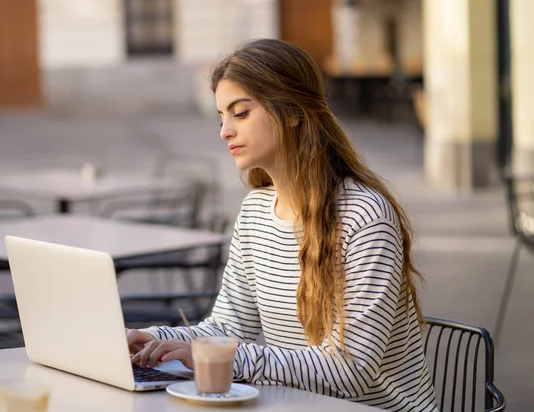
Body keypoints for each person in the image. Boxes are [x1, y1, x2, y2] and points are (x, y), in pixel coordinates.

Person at [127, 39, 437, 411]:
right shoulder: (256, 211)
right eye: (221, 116)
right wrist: (152, 337)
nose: (225, 130)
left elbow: (352, 369)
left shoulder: (366, 217)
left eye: (240, 113)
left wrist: (227, 357)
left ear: (292, 111)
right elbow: (226, 328)